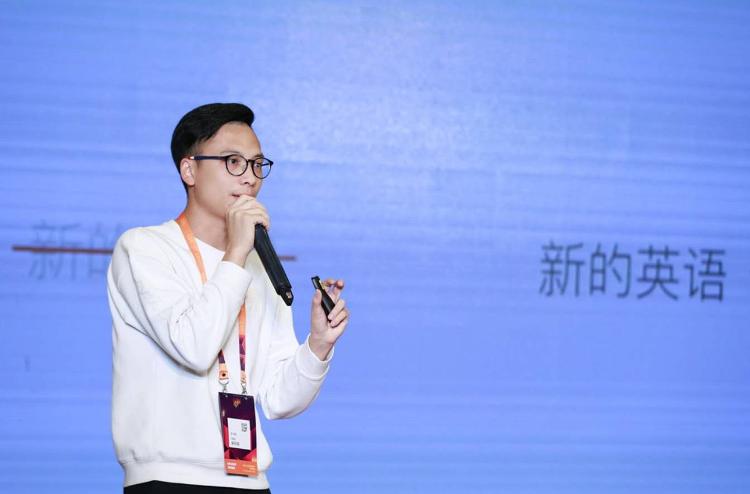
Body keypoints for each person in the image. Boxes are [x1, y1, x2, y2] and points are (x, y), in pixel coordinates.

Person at [106, 102, 349, 493]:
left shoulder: (259, 268)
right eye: (233, 162)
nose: (250, 177)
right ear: (189, 170)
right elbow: (193, 346)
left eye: (257, 164)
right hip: (169, 480)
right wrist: (237, 252)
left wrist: (318, 345)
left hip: (250, 480)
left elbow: (279, 399)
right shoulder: (144, 249)